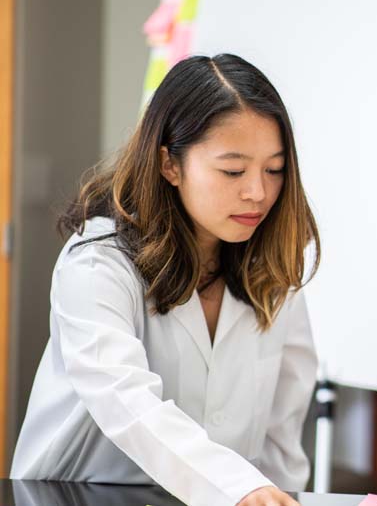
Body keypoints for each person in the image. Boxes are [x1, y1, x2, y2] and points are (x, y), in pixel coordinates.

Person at [11, 54, 321, 506]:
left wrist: (275, 494)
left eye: (274, 169)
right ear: (169, 164)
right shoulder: (100, 262)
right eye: (233, 170)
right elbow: (124, 398)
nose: (258, 191)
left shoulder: (271, 269)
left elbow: (282, 434)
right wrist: (237, 488)